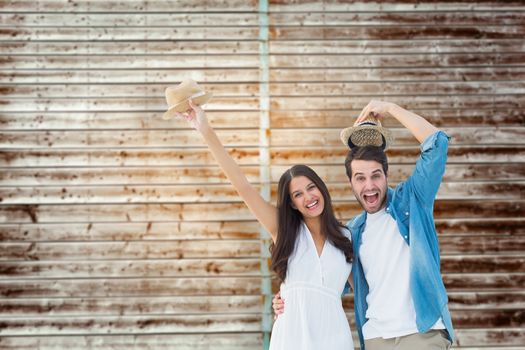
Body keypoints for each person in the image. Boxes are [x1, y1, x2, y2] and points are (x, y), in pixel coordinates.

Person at [273, 100, 455, 350]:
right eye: (360, 178)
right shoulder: (350, 233)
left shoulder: (412, 202)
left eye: (375, 176)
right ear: (351, 183)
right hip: (375, 339)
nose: (369, 186)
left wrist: (391, 109)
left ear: (386, 175)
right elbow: (326, 280)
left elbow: (437, 143)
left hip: (421, 334)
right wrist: (286, 298)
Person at [177, 97, 355, 349]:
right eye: (298, 194)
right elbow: (242, 186)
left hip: (334, 339)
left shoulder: (346, 236)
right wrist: (205, 129)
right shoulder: (284, 229)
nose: (308, 197)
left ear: (322, 189)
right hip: (292, 339)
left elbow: (367, 289)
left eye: (311, 188)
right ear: (292, 203)